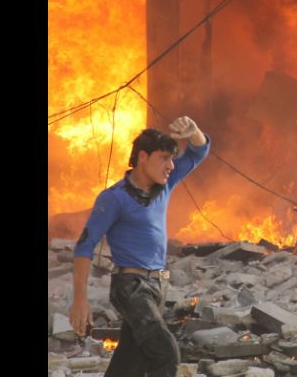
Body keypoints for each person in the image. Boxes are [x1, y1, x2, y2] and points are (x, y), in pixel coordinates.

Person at [69, 116, 210, 377]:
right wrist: (80, 299)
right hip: (131, 287)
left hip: (158, 285)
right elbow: (84, 246)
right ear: (143, 157)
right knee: (165, 352)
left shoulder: (163, 186)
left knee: (129, 362)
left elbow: (199, 151)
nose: (170, 165)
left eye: (172, 159)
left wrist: (194, 131)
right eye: (164, 158)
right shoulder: (114, 198)